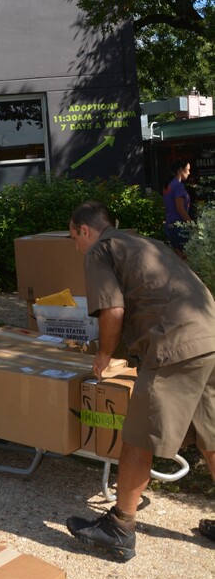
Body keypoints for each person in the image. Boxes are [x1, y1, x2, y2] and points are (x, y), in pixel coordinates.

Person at [66, 200, 215, 560]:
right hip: (209, 335)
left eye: (74, 239)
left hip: (174, 343)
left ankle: (120, 527)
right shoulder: (144, 243)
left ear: (85, 230)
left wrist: (103, 355)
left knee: (137, 436)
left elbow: (113, 309)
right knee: (212, 436)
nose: (76, 247)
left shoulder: (100, 250)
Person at [163, 158, 194, 256]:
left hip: (169, 227)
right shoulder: (179, 186)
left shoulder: (168, 186)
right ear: (180, 170)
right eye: (188, 170)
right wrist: (192, 225)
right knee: (187, 259)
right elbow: (180, 208)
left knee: (178, 258)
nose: (189, 173)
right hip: (179, 227)